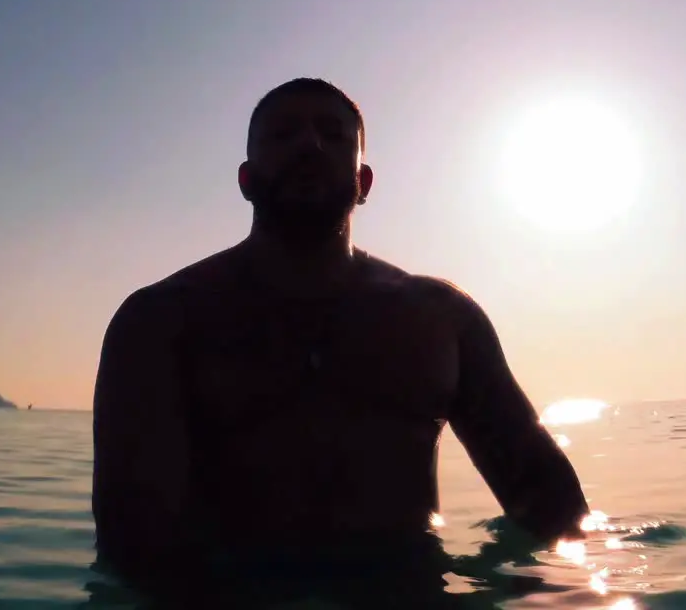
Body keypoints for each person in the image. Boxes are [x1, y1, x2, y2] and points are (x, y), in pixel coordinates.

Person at [91, 78, 589, 603]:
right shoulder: (159, 321)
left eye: (333, 135)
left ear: (364, 180)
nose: (309, 146)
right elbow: (133, 546)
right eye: (282, 135)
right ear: (245, 178)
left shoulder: (443, 320)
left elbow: (553, 507)